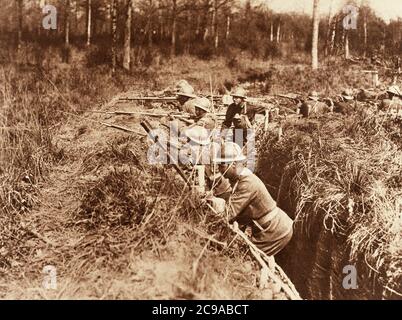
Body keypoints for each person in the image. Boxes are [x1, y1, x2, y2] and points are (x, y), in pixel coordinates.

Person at [213, 142, 294, 257]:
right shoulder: (239, 179)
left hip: (274, 231)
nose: (219, 169)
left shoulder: (246, 183)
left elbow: (227, 214)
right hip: (271, 227)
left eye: (222, 165)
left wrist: (213, 203)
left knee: (245, 260)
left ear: (234, 164)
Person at [179, 126, 231, 201]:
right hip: (224, 187)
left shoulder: (198, 153)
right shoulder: (213, 147)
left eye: (189, 140)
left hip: (217, 191)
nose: (187, 141)